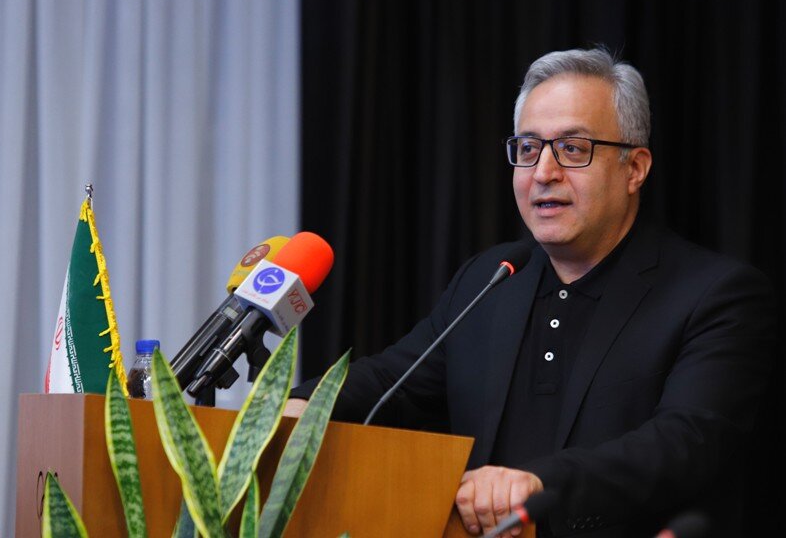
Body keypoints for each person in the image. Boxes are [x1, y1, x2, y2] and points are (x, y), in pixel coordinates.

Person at [287, 48, 775, 537]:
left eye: (572, 148)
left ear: (635, 168)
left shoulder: (715, 295)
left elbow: (683, 444)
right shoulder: (492, 278)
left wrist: (540, 484)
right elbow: (394, 378)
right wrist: (296, 408)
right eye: (527, 148)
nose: (543, 172)